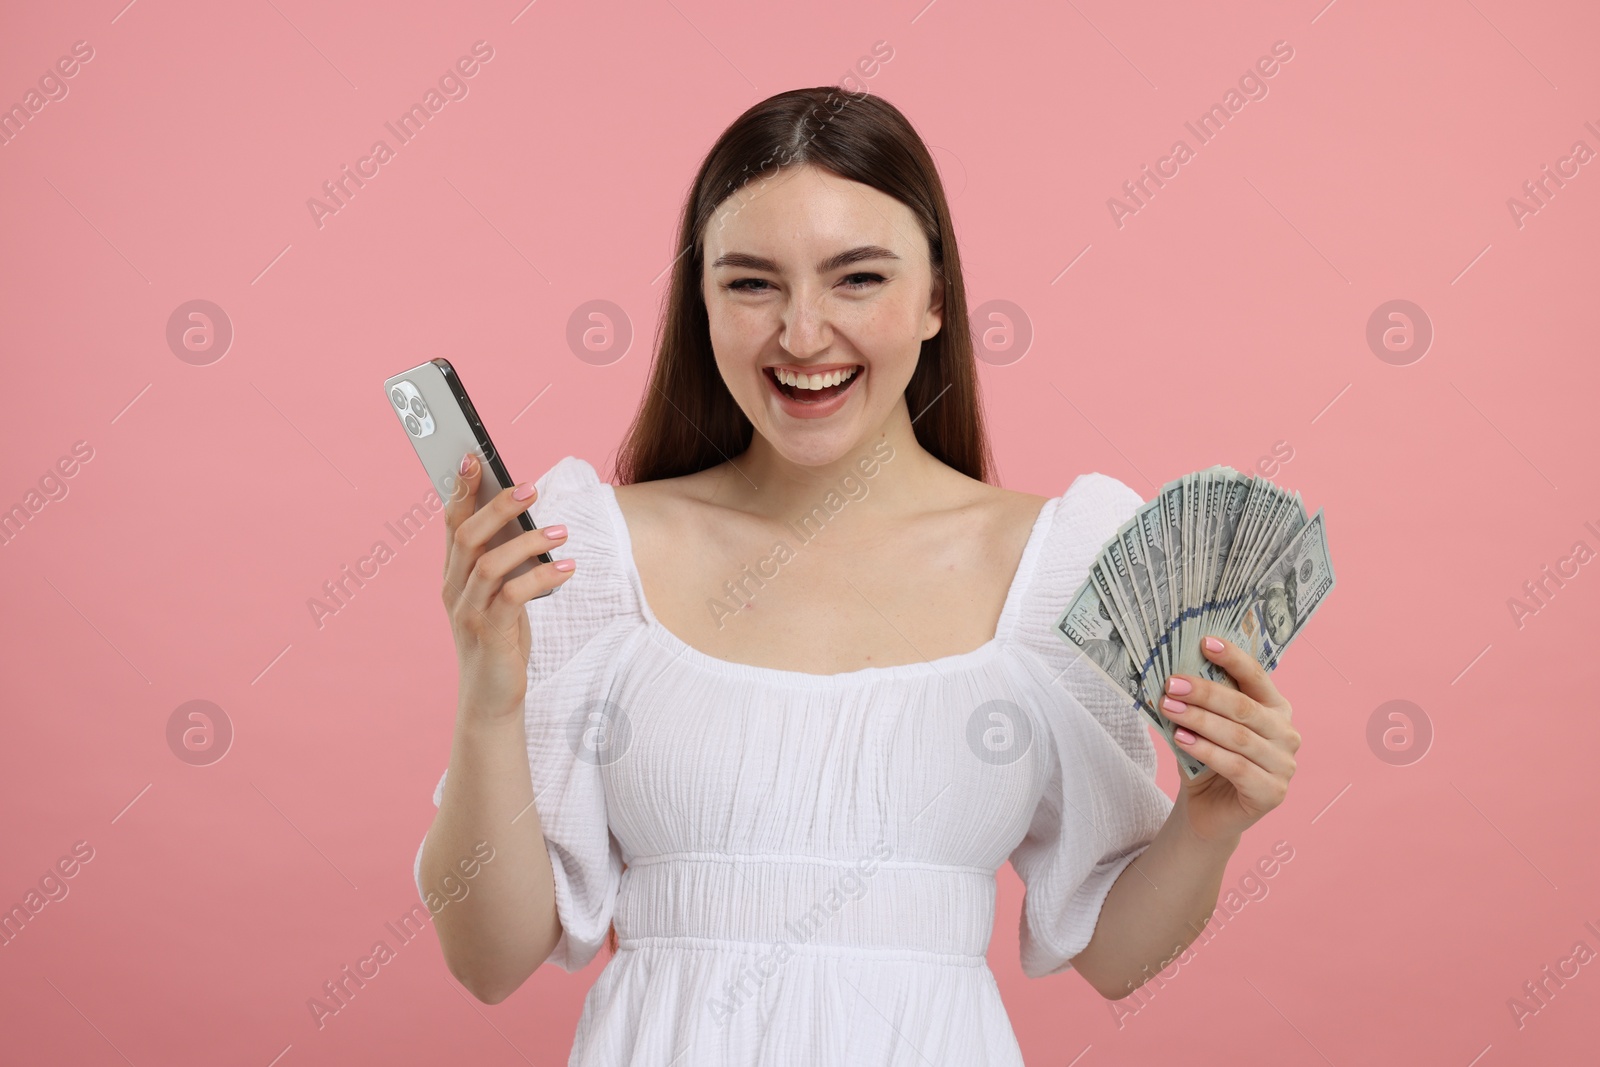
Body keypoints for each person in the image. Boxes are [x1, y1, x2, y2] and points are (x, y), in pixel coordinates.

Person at [413, 86, 1301, 1065]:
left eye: (857, 280)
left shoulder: (1060, 568)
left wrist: (1209, 819)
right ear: (699, 300)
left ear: (932, 299)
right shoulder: (587, 557)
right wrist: (489, 699)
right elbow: (489, 960)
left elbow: (1116, 955)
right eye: (750, 284)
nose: (801, 334)